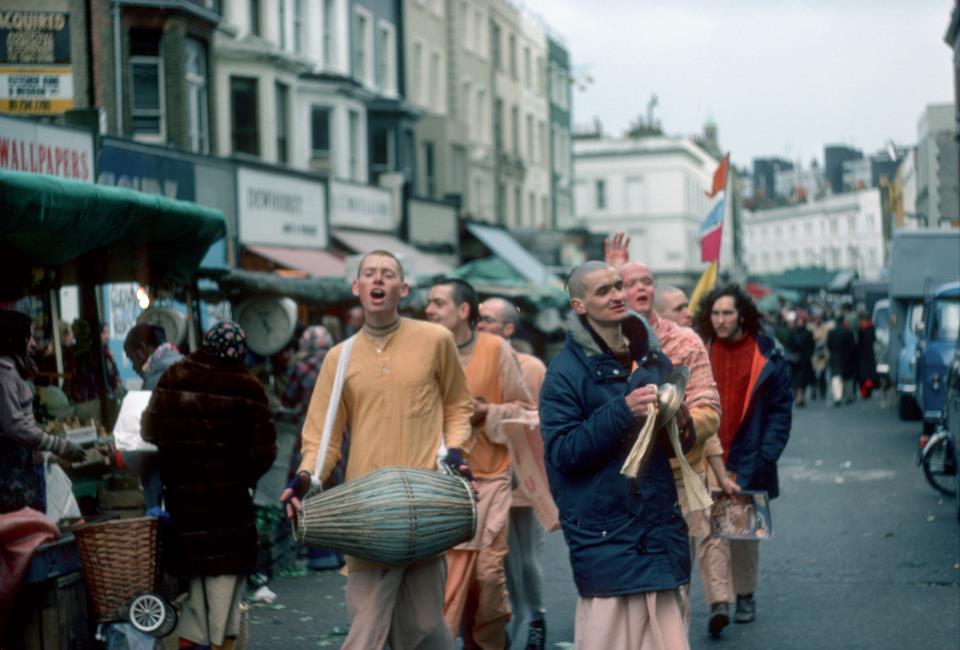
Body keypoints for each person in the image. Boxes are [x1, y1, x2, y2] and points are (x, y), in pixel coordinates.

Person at [281, 251, 474, 650]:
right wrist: (305, 479)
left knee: (425, 630)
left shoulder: (436, 340)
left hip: (425, 507)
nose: (377, 279)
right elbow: (322, 435)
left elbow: (458, 405)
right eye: (369, 274)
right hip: (365, 515)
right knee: (366, 630)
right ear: (357, 288)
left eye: (387, 274)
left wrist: (455, 452)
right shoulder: (340, 356)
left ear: (402, 290)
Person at [540, 261, 695, 649]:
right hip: (606, 535)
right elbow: (563, 454)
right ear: (578, 305)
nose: (617, 295)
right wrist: (622, 411)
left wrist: (681, 418)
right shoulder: (564, 372)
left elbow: (680, 447)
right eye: (603, 291)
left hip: (658, 528)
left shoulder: (653, 359)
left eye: (617, 286)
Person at [604, 235, 737, 638]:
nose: (641, 288)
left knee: (674, 574)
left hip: (680, 476)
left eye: (647, 281)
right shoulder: (599, 347)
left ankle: (684, 630)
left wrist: (681, 424)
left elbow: (710, 408)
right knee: (623, 584)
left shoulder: (685, 341)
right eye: (629, 283)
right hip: (621, 484)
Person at [142, 322, 277, 650]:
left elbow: (149, 431)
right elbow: (265, 451)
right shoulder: (248, 386)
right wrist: (239, 478)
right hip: (229, 510)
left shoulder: (174, 377)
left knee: (198, 593)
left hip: (186, 508)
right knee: (224, 598)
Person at [426, 280, 534, 650]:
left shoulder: (496, 349)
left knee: (488, 575)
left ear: (463, 311)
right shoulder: (426, 349)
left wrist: (488, 412)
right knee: (450, 581)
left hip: (490, 479)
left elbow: (526, 413)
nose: (428, 311)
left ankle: (489, 640)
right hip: (440, 484)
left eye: (437, 303)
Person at [693, 284, 793, 628]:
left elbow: (781, 411)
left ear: (741, 315)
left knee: (742, 532)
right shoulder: (701, 351)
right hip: (707, 456)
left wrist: (766, 456)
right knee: (710, 531)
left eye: (727, 313)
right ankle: (719, 602)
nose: (720, 320)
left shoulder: (766, 354)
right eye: (715, 313)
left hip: (748, 457)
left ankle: (746, 595)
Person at [477, 297, 548, 649]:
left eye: (488, 320)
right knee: (493, 558)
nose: (479, 325)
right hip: (481, 475)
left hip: (522, 475)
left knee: (525, 555)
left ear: (508, 328)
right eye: (477, 319)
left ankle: (535, 618)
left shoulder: (532, 367)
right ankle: (503, 622)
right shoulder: (469, 362)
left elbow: (543, 421)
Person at [0, 310, 86, 515]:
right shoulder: (4, 374)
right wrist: (60, 446)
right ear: (13, 339)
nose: (33, 344)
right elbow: (16, 426)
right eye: (28, 337)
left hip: (23, 476)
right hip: (12, 481)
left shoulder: (12, 372)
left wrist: (47, 454)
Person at [280, 325, 343, 571]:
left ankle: (319, 554)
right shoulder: (338, 364)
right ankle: (340, 553)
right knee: (337, 490)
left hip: (312, 432)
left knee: (310, 489)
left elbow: (289, 399)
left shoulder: (301, 367)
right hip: (340, 433)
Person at [123, 323, 183, 391]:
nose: (133, 367)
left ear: (142, 351)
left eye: (132, 359)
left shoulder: (154, 381)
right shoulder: (183, 361)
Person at [826, 309, 857, 405]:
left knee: (836, 378)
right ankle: (848, 396)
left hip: (835, 357)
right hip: (847, 357)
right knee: (847, 378)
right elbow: (853, 346)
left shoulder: (832, 332)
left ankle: (837, 397)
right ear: (844, 322)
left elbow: (828, 344)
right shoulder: (848, 332)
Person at [784, 312, 815, 407]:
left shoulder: (807, 333)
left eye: (801, 321)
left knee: (802, 381)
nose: (799, 323)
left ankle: (800, 397)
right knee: (796, 381)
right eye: (798, 321)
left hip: (804, 360)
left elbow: (811, 346)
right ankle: (799, 397)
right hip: (795, 361)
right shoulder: (793, 333)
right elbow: (789, 345)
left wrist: (809, 355)